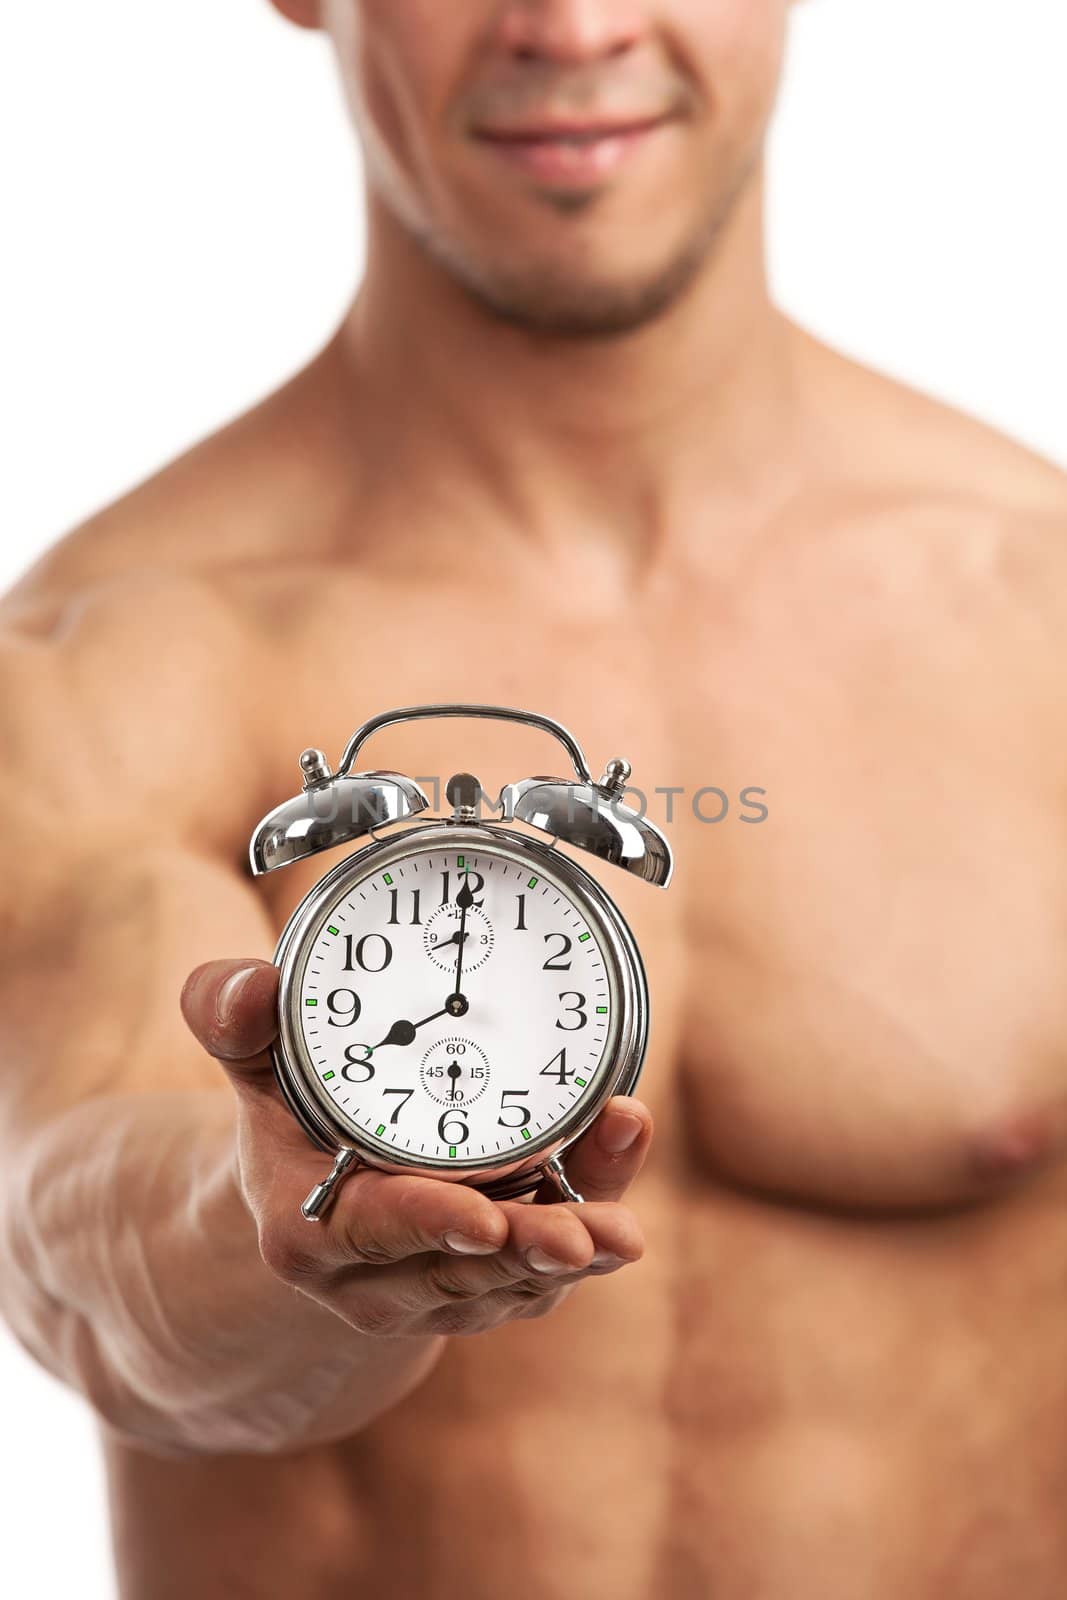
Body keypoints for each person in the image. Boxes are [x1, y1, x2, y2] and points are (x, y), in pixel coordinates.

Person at [2, 2, 1066, 1595]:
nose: (571, 25)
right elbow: (71, 1257)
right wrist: (265, 1225)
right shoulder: (107, 657)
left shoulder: (1037, 617)